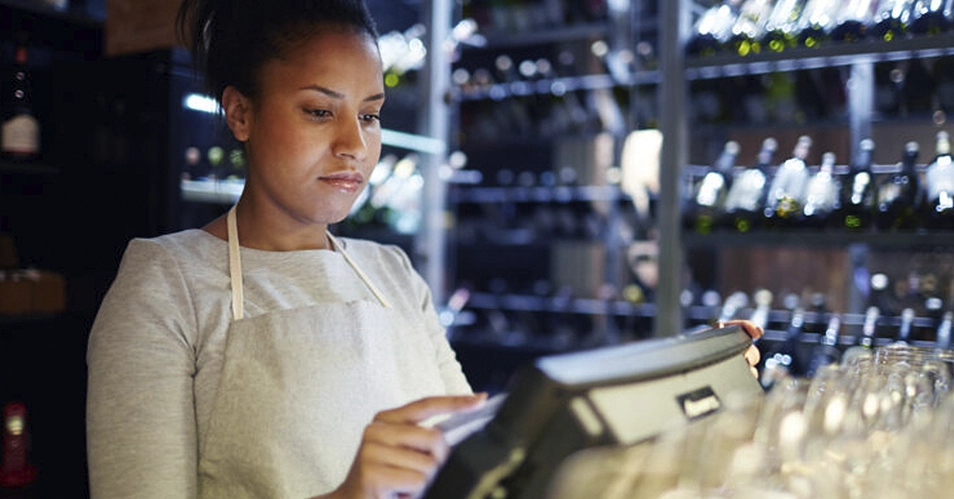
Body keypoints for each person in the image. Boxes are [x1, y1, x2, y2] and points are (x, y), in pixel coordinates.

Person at [85, 0, 763, 498]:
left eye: (371, 113)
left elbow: (485, 457)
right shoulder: (166, 281)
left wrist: (679, 381)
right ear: (240, 113)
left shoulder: (391, 273)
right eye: (320, 110)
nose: (355, 143)